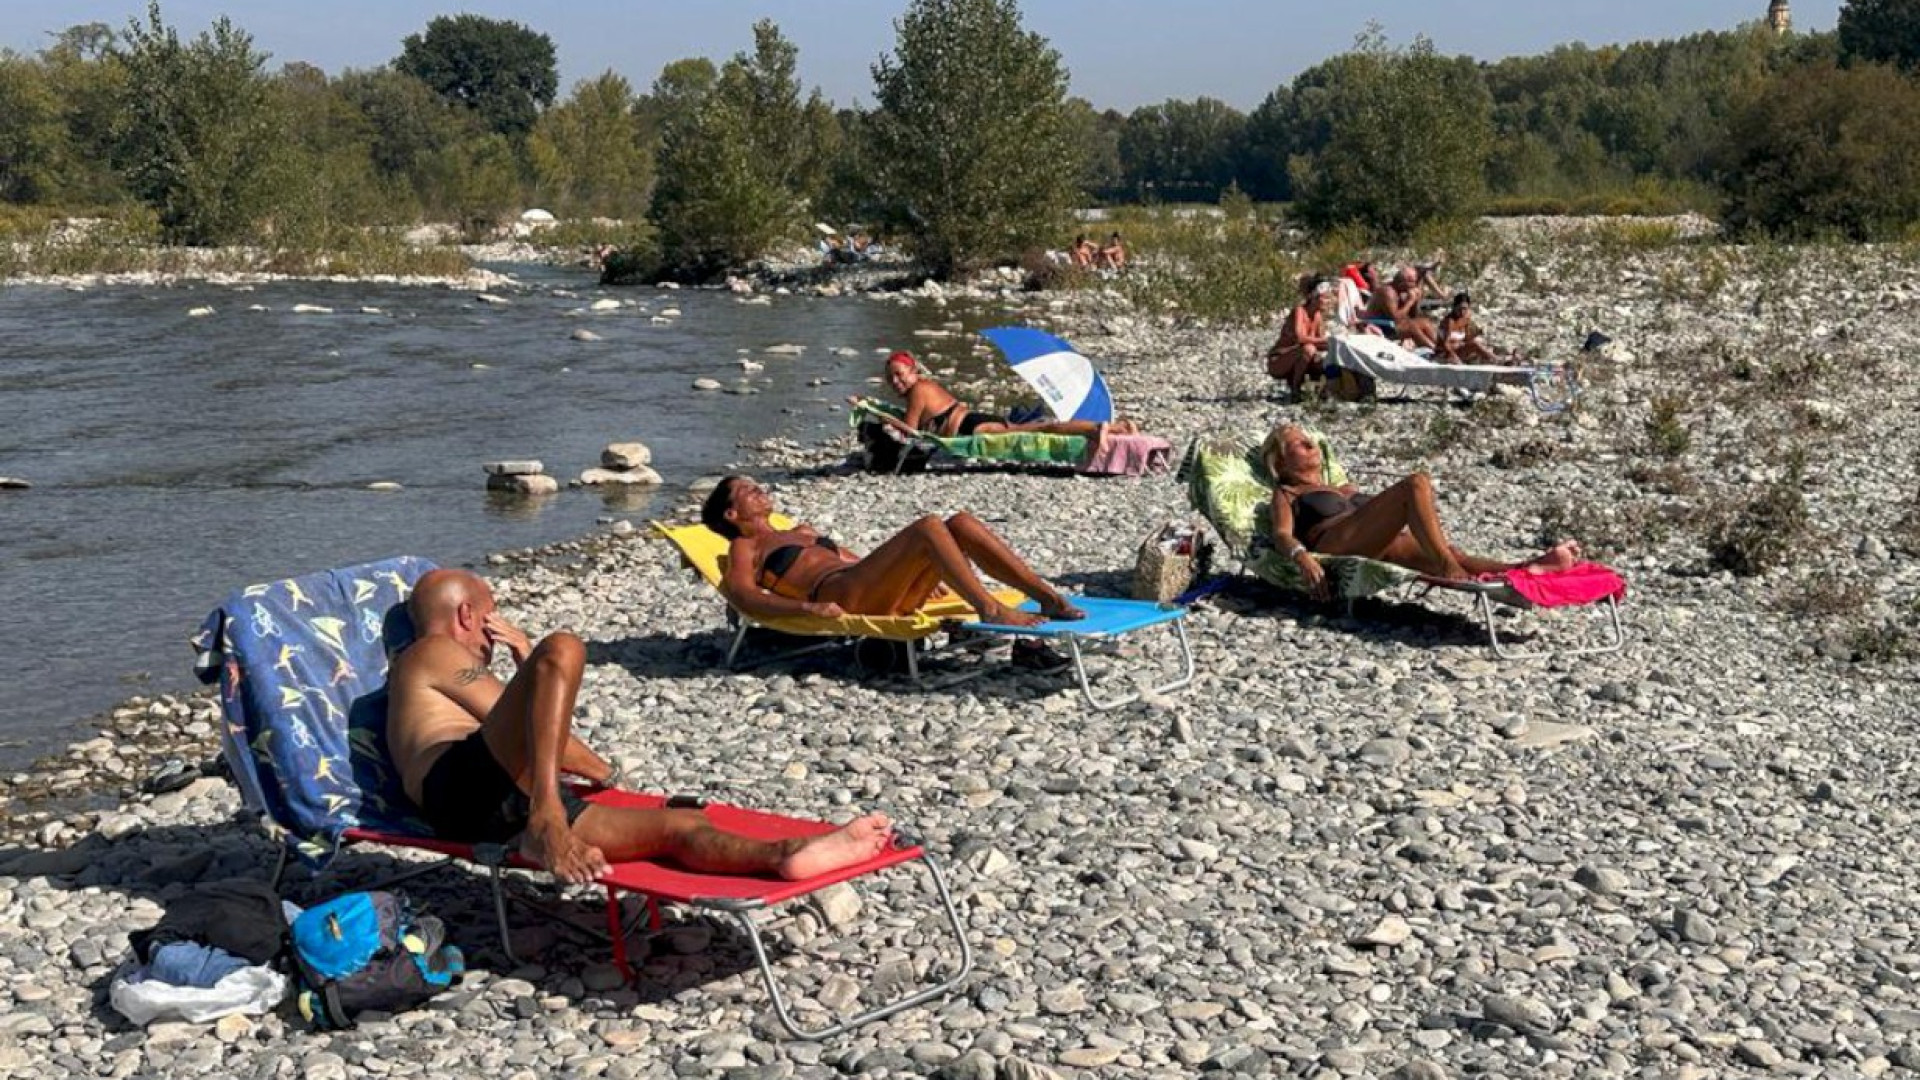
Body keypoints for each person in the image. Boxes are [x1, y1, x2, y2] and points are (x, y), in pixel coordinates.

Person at [386, 569, 894, 885]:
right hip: (459, 786)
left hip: (494, 806)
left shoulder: (430, 669)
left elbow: (538, 740)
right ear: (469, 613)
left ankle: (785, 855)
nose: (497, 631)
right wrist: (532, 662)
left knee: (679, 830)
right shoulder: (430, 651)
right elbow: (569, 753)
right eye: (495, 615)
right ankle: (546, 819)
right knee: (562, 647)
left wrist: (538, 691)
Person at [703, 475, 1086, 632]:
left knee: (961, 524)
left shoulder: (801, 531)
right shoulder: (745, 546)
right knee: (928, 527)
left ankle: (1047, 597)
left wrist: (926, 564)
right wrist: (806, 609)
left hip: (870, 589)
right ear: (732, 514)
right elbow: (743, 596)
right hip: (839, 596)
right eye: (747, 491)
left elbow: (859, 562)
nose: (759, 490)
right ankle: (989, 607)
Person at [1261, 424, 1581, 599]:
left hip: (1377, 543)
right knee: (1415, 484)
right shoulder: (1288, 492)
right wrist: (1301, 556)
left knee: (1455, 554)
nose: (1311, 444)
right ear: (1282, 462)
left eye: (1310, 440)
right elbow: (1280, 534)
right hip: (1334, 543)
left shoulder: (1343, 487)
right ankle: (1446, 565)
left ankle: (1527, 569)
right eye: (1299, 444)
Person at [860, 351, 1135, 449]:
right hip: (973, 420)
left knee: (1043, 428)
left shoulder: (919, 390)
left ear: (914, 371)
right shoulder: (923, 387)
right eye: (891, 380)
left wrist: (881, 415)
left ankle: (1098, 428)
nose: (897, 382)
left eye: (900, 375)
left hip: (971, 427)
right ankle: (1115, 429)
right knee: (1039, 425)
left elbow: (911, 431)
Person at [1266, 275, 1334, 399]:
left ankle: (1323, 390)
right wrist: (1325, 341)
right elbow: (1300, 338)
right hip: (1280, 360)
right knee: (1309, 349)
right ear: (1314, 298)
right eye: (1325, 298)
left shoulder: (1318, 316)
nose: (1329, 302)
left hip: (1300, 357)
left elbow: (1321, 344)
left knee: (1323, 361)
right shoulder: (1300, 311)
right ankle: (1295, 389)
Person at [1364, 266, 1437, 350]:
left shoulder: (1400, 291)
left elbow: (1414, 316)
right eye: (1413, 283)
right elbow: (1395, 318)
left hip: (1393, 325)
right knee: (1411, 327)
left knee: (1424, 322)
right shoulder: (1388, 292)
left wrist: (1416, 301)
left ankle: (1441, 348)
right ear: (1404, 282)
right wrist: (1410, 301)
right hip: (1381, 326)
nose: (1414, 286)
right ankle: (1435, 350)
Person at [1433, 292, 1499, 365]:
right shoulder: (1449, 321)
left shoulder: (1465, 318)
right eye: (1459, 309)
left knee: (1479, 345)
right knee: (1475, 345)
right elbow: (1445, 344)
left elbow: (1467, 339)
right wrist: (1454, 356)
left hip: (1460, 351)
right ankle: (1495, 360)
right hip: (1445, 353)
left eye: (1464, 309)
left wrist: (1476, 333)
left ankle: (1493, 359)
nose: (1462, 312)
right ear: (1454, 307)